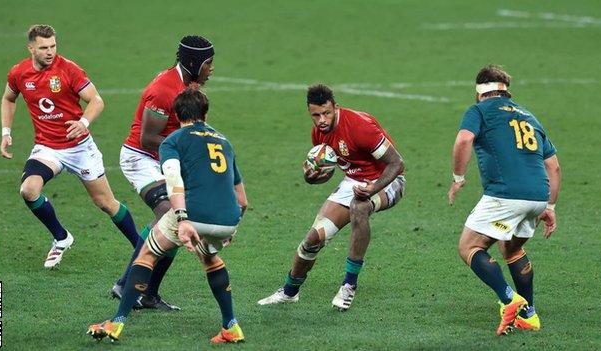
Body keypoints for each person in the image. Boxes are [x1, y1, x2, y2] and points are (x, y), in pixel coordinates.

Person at [88, 88, 248, 344]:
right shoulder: (224, 141)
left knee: (148, 255)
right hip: (228, 220)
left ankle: (116, 322)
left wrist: (183, 220)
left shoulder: (173, 140)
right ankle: (231, 326)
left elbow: (173, 181)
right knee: (209, 258)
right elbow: (242, 200)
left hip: (193, 215)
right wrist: (228, 225)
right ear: (205, 113)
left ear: (177, 114)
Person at [0, 24, 140, 269]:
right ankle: (61, 237)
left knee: (105, 203)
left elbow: (96, 100)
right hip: (47, 148)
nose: (50, 51)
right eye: (44, 47)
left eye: (53, 45)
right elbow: (9, 98)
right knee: (28, 190)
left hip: (79, 148)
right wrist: (6, 132)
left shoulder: (69, 69)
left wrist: (84, 122)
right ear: (31, 48)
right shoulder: (19, 73)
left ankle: (141, 247)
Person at [258, 84, 405, 310]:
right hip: (354, 181)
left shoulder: (360, 127)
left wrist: (373, 187)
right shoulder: (318, 133)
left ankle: (349, 285)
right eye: (316, 115)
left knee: (359, 207)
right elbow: (329, 168)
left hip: (388, 181)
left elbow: (397, 164)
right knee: (312, 240)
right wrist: (311, 175)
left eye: (326, 113)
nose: (322, 120)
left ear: (336, 107)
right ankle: (289, 292)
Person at [447, 65, 561, 335]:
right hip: (537, 197)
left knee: (469, 246)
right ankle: (529, 315)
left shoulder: (479, 111)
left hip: (506, 195)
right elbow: (554, 167)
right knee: (512, 250)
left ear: (479, 92)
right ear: (506, 91)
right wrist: (550, 207)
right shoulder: (529, 116)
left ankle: (509, 299)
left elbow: (464, 140)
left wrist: (458, 177)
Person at [111, 35, 215, 310]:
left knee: (179, 219)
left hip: (167, 157)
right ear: (194, 63)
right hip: (141, 158)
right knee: (170, 215)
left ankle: (147, 293)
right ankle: (126, 285)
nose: (211, 69)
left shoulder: (190, 85)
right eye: (208, 63)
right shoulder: (163, 89)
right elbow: (147, 138)